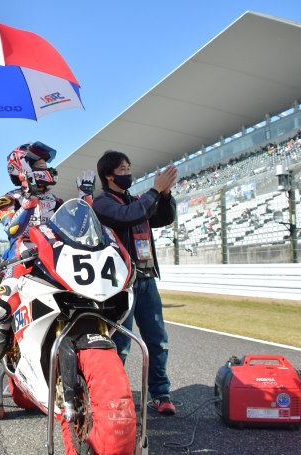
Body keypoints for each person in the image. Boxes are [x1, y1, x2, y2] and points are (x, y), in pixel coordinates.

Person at [0, 142, 95, 360]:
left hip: (55, 259)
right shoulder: (8, 199)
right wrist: (28, 200)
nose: (48, 169)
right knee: (4, 304)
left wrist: (85, 198)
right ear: (23, 168)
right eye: (41, 164)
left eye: (47, 164)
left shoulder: (56, 201)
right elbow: (13, 229)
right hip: (21, 260)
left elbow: (78, 230)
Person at [92, 150, 178, 415]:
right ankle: (112, 397)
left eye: (129, 167)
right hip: (120, 284)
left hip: (146, 279)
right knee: (121, 344)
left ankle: (160, 394)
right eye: (122, 168)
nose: (128, 172)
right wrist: (155, 191)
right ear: (109, 175)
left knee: (158, 341)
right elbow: (128, 216)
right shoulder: (102, 203)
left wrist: (164, 196)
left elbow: (165, 218)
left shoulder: (138, 200)